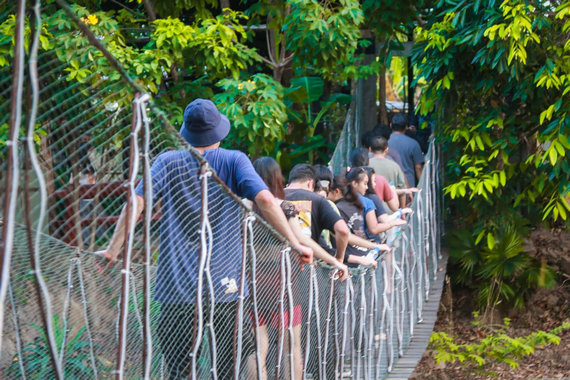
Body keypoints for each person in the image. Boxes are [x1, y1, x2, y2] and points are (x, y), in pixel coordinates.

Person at [96, 98, 312, 379]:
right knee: (225, 371)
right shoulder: (234, 160)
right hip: (226, 291)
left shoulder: (167, 161)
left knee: (180, 373)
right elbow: (266, 200)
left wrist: (113, 250)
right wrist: (295, 244)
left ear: (186, 132)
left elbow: (135, 202)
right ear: (219, 133)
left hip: (177, 292)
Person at [251, 157, 348, 380]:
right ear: (277, 178)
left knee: (258, 348)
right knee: (291, 347)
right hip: (282, 278)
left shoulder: (245, 207)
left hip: (253, 278)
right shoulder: (283, 207)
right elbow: (304, 241)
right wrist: (335, 261)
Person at [284, 164, 350, 263]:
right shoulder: (317, 200)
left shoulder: (272, 197)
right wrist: (339, 258)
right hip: (308, 265)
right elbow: (343, 231)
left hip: (268, 265)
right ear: (311, 184)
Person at [334, 168, 392, 267]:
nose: (367, 187)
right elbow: (373, 228)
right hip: (354, 258)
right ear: (354, 183)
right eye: (365, 183)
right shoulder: (339, 207)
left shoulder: (359, 203)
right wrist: (393, 223)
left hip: (364, 253)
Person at [368, 136, 418, 207]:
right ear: (387, 150)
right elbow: (402, 190)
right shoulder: (395, 166)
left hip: (369, 208)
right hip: (390, 209)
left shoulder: (365, 165)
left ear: (370, 149)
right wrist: (402, 210)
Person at [349, 147, 399, 212]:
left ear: (350, 163)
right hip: (377, 217)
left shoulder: (346, 179)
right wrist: (393, 190)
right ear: (368, 161)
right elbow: (395, 207)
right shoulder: (379, 179)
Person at [388, 113, 425, 187]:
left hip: (388, 184)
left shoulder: (384, 143)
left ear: (391, 125)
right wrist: (422, 188)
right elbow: (418, 168)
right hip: (408, 185)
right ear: (406, 127)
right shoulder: (413, 144)